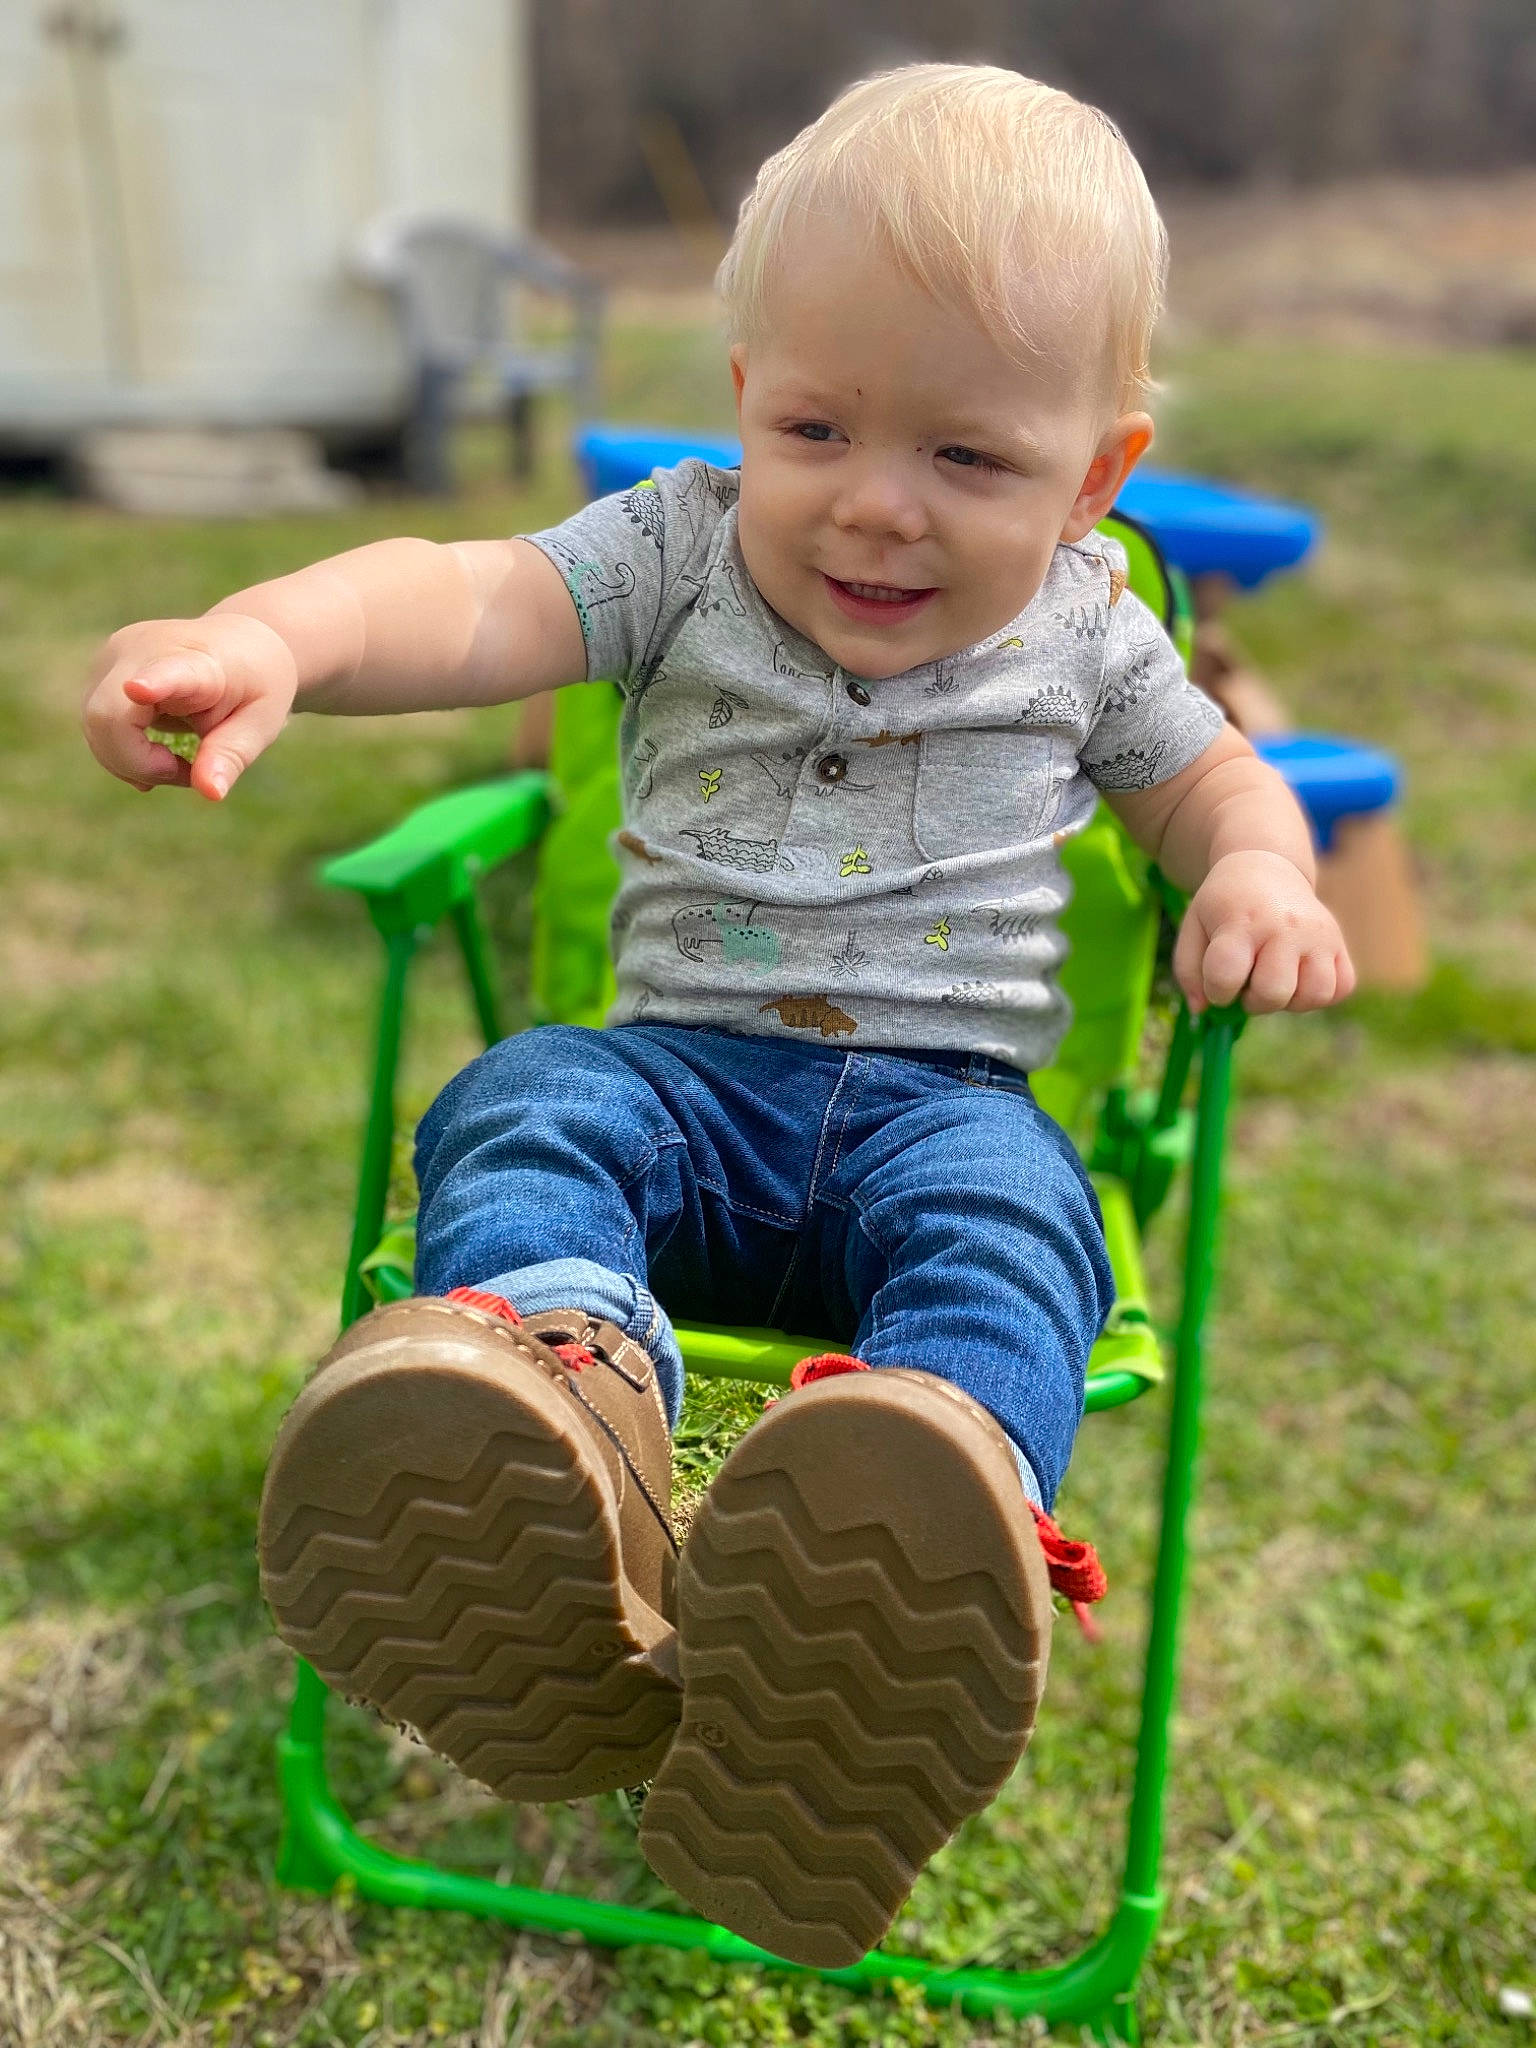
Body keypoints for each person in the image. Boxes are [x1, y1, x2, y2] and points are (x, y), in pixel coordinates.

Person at [82, 65, 1353, 1969]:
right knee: (529, 1100)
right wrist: (271, 637)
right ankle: (564, 1400)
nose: (875, 504)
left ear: (1095, 475)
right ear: (743, 390)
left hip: (947, 1106)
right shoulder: (676, 547)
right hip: (676, 1084)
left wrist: (1259, 871)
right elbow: (460, 592)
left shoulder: (1097, 628)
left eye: (971, 460)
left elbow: (1217, 787)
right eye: (819, 423)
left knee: (1026, 1229)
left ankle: (927, 1513)